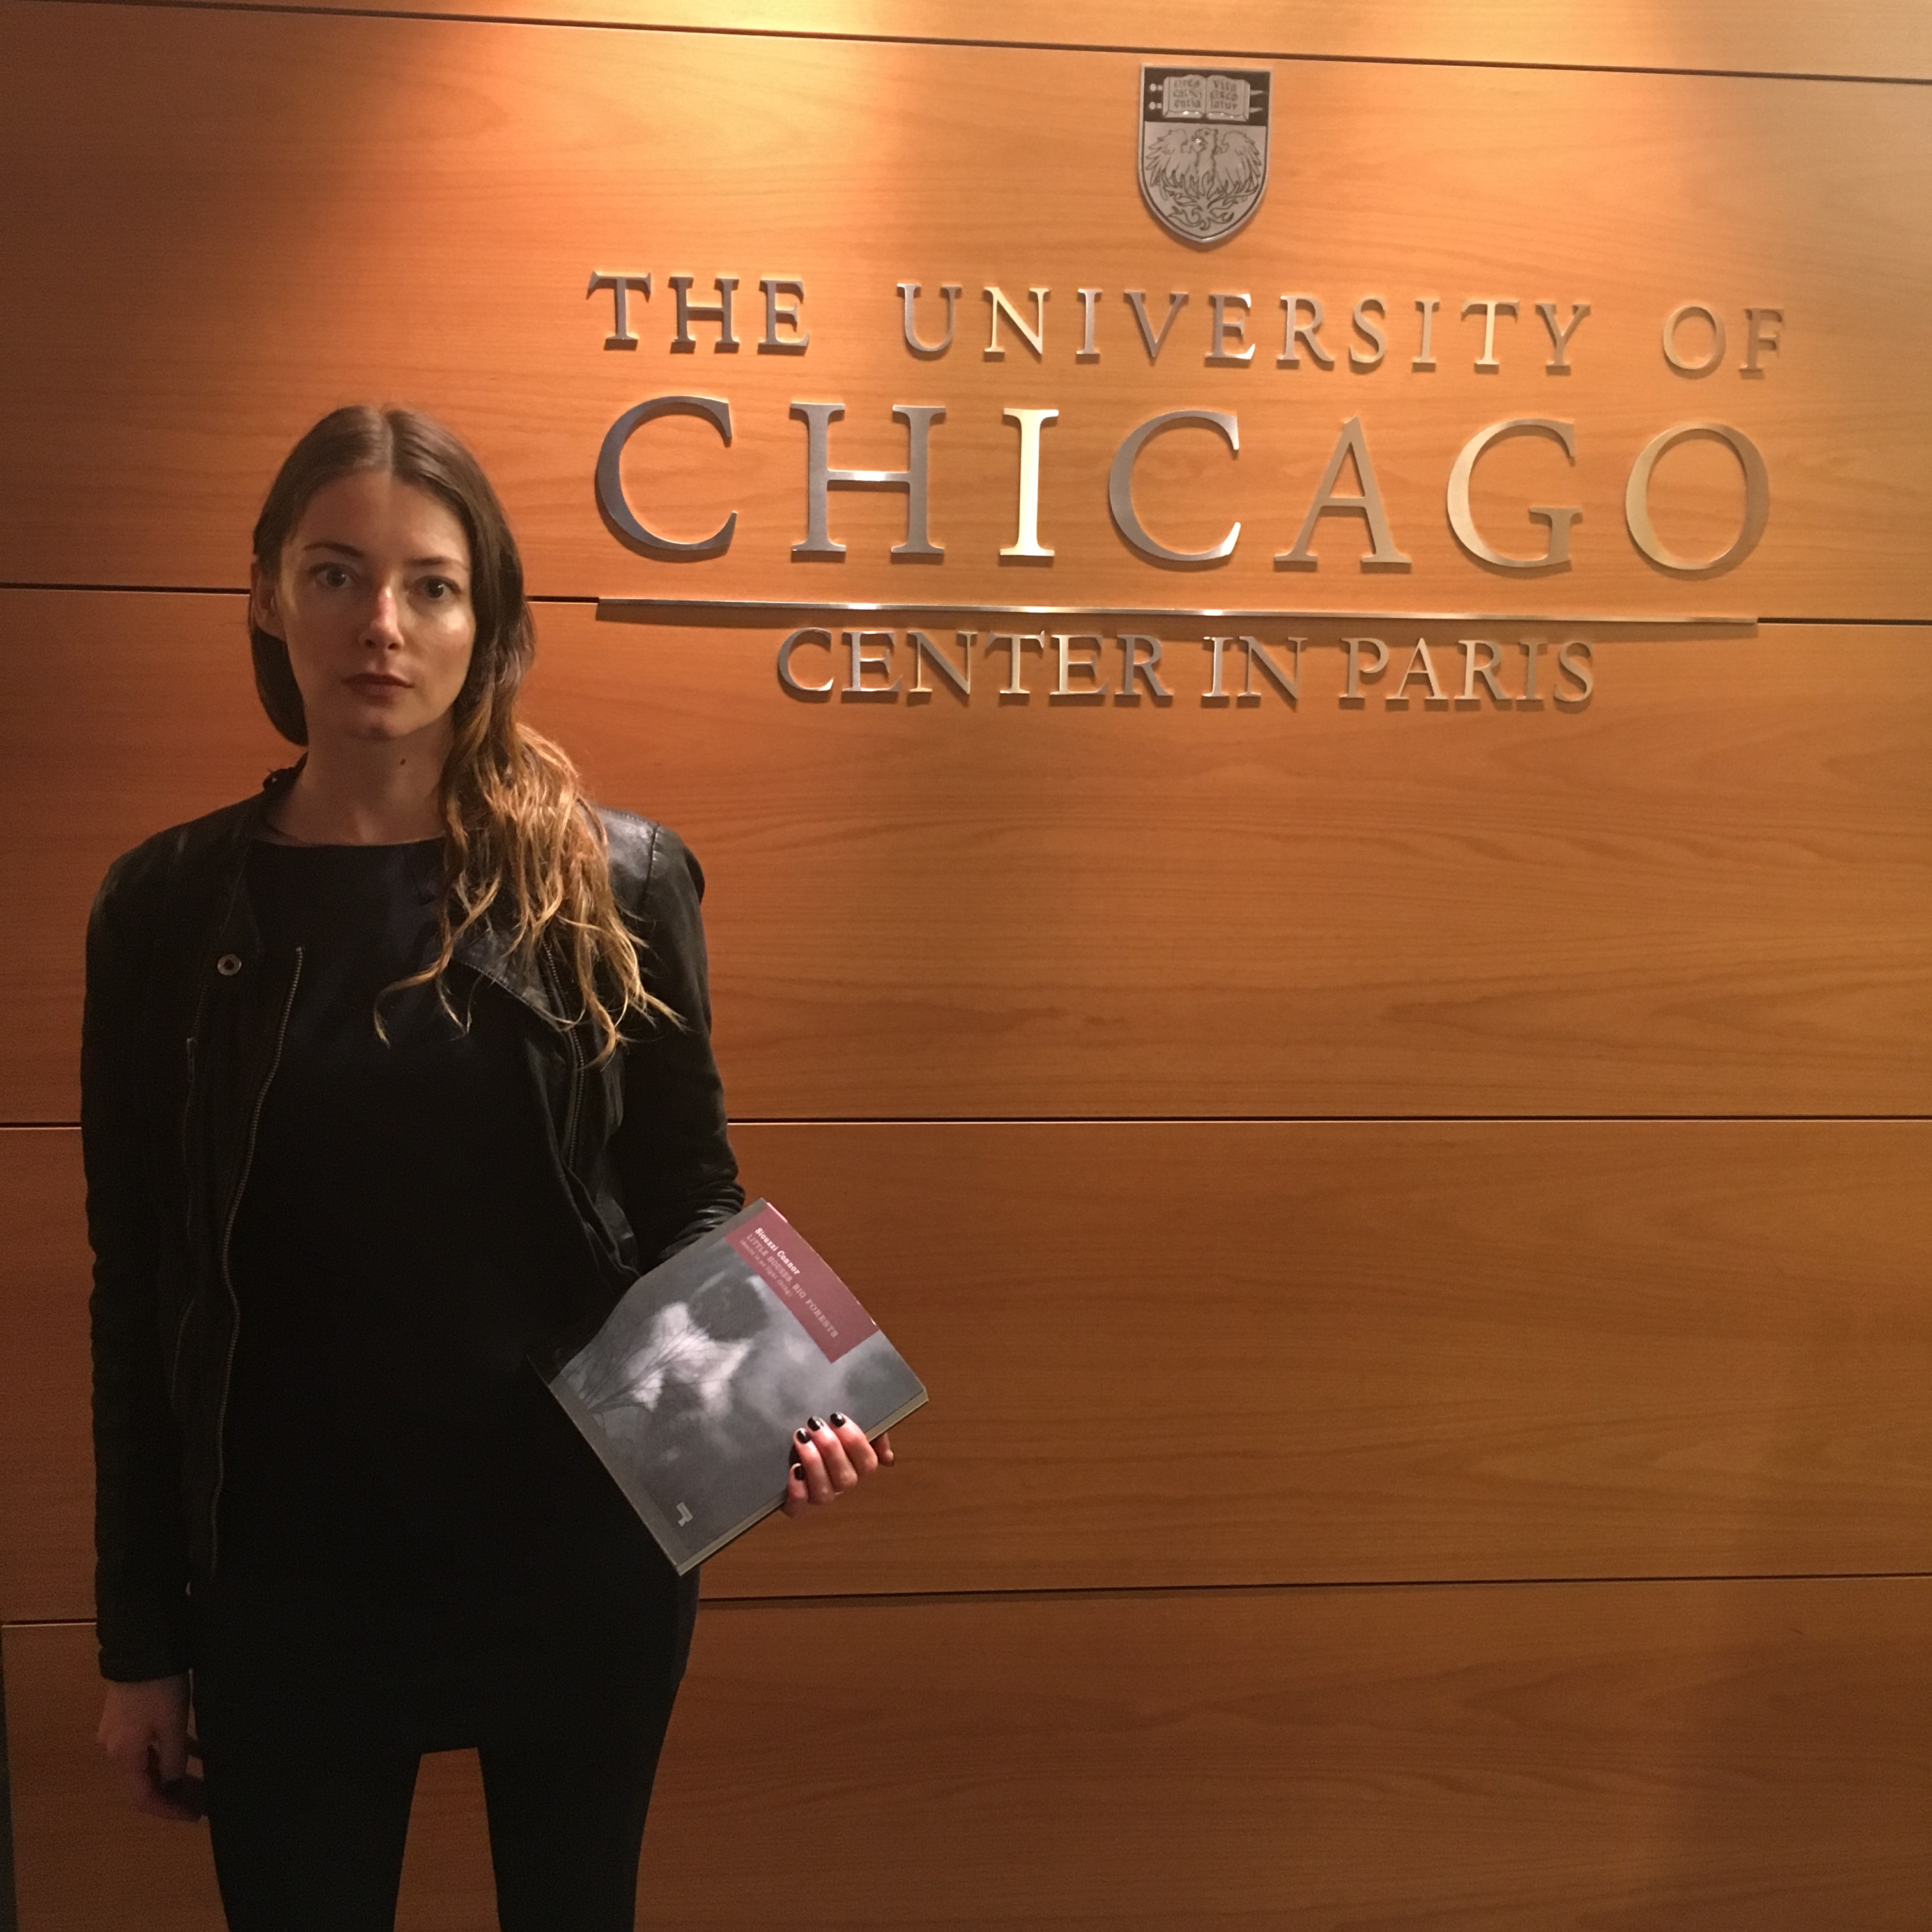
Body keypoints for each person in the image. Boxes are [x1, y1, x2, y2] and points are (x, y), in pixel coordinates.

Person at [83, 404, 892, 1932]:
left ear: (488, 619)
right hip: (288, 1584)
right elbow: (143, 1294)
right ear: (266, 594)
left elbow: (689, 1194)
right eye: (336, 573)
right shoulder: (167, 912)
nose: (380, 624)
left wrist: (782, 1405)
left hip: (575, 1562)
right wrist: (141, 1643)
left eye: (431, 585)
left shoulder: (618, 882)